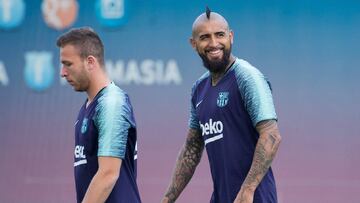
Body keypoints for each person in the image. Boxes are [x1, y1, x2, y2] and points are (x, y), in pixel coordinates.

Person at [162, 8, 281, 203]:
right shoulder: (198, 89)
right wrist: (167, 199)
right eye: (205, 37)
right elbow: (191, 148)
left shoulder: (247, 77)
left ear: (231, 36)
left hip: (254, 198)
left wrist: (247, 190)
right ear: (194, 44)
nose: (214, 43)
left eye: (220, 35)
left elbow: (272, 135)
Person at [57, 27, 141, 203]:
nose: (62, 72)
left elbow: (108, 174)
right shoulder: (88, 107)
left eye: (68, 64)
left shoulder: (111, 102)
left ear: (90, 62)